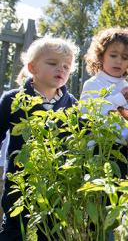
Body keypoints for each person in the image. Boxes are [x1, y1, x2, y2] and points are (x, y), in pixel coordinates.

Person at [0, 37, 79, 240]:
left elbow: (76, 142)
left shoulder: (71, 104)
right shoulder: (13, 100)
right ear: (32, 67)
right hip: (20, 180)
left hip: (56, 183)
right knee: (14, 226)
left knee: (53, 230)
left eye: (66, 66)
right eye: (52, 64)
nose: (60, 69)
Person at [80, 27, 128, 177]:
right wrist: (120, 99)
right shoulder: (93, 84)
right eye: (113, 55)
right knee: (95, 192)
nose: (118, 61)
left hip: (119, 148)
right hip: (96, 148)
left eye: (125, 58)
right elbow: (87, 113)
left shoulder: (124, 85)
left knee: (115, 192)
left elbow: (123, 119)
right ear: (101, 56)